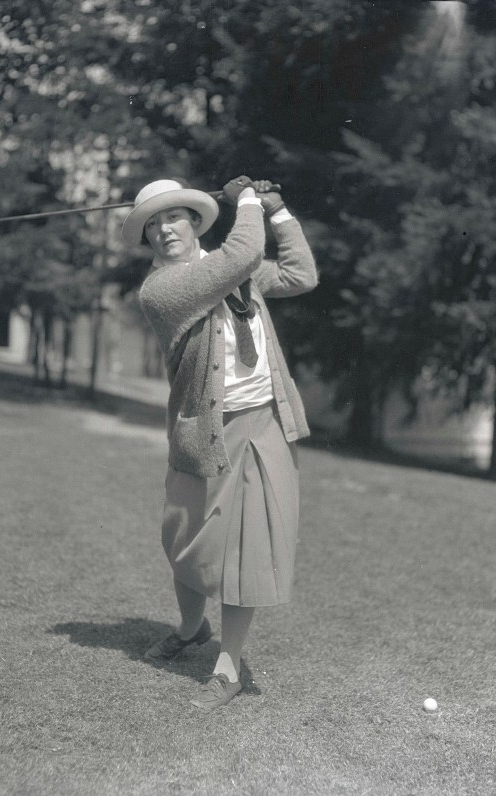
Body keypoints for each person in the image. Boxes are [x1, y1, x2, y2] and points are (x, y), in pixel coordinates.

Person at [121, 175, 318, 710]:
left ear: (194, 221)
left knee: (246, 549)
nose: (164, 231)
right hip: (203, 430)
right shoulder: (161, 290)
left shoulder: (235, 268)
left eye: (173, 218)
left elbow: (301, 273)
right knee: (184, 541)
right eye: (153, 225)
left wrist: (277, 212)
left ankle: (228, 668)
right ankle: (191, 628)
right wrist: (249, 201)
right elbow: (242, 253)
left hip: (264, 423)